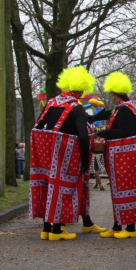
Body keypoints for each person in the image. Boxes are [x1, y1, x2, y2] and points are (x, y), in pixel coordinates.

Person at [30, 66, 104, 240]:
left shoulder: (51, 102)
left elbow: (39, 127)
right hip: (67, 156)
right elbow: (83, 135)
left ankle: (46, 229)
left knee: (48, 188)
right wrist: (86, 158)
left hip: (48, 156)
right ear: (81, 89)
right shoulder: (76, 108)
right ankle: (58, 230)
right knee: (65, 189)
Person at [93, 71, 136, 239]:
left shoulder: (125, 110)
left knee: (128, 189)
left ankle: (130, 227)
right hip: (121, 156)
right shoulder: (122, 108)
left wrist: (105, 134)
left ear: (113, 93)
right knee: (118, 191)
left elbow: (127, 131)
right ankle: (118, 225)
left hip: (126, 156)